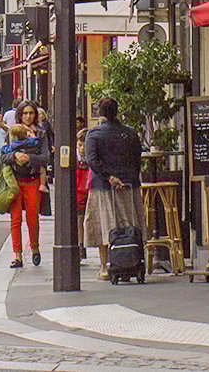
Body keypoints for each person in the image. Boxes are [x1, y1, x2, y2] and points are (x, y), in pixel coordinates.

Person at [83, 97, 144, 281]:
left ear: (100, 112)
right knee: (129, 224)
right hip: (128, 185)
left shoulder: (93, 134)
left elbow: (92, 160)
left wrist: (109, 177)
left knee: (105, 225)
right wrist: (125, 177)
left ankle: (105, 266)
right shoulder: (130, 134)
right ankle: (131, 263)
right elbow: (137, 159)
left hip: (104, 186)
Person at [5, 119, 49, 268]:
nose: (28, 116)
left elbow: (45, 157)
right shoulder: (12, 133)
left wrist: (29, 158)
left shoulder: (40, 135)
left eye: (30, 113)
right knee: (15, 218)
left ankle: (34, 247)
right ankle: (17, 254)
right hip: (15, 182)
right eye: (25, 113)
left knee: (32, 217)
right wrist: (14, 156)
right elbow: (3, 155)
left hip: (32, 180)